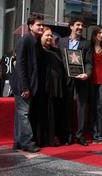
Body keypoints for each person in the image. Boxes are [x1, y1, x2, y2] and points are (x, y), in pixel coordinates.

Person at [10, 14, 44, 152]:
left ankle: (18, 142)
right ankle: (27, 142)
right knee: (24, 113)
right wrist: (25, 87)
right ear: (30, 26)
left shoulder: (35, 41)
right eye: (38, 25)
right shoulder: (25, 40)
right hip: (23, 85)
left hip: (28, 84)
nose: (41, 27)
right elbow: (20, 65)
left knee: (20, 113)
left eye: (42, 25)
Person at [59, 17, 92, 146]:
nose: (80, 27)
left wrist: (87, 74)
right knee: (67, 106)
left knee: (82, 107)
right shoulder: (61, 42)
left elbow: (89, 62)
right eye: (77, 25)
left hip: (81, 79)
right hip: (66, 79)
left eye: (81, 25)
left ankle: (80, 135)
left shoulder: (86, 43)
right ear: (71, 26)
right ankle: (68, 135)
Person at [33, 26, 65, 147]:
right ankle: (42, 139)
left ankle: (52, 137)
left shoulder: (56, 51)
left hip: (56, 88)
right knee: (42, 114)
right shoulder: (37, 50)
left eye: (51, 35)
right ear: (41, 37)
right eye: (47, 35)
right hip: (42, 88)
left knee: (54, 114)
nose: (50, 37)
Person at [88, 25, 102, 143]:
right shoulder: (89, 46)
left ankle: (101, 134)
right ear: (95, 34)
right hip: (91, 80)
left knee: (100, 107)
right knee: (92, 107)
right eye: (99, 33)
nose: (101, 35)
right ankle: (94, 133)